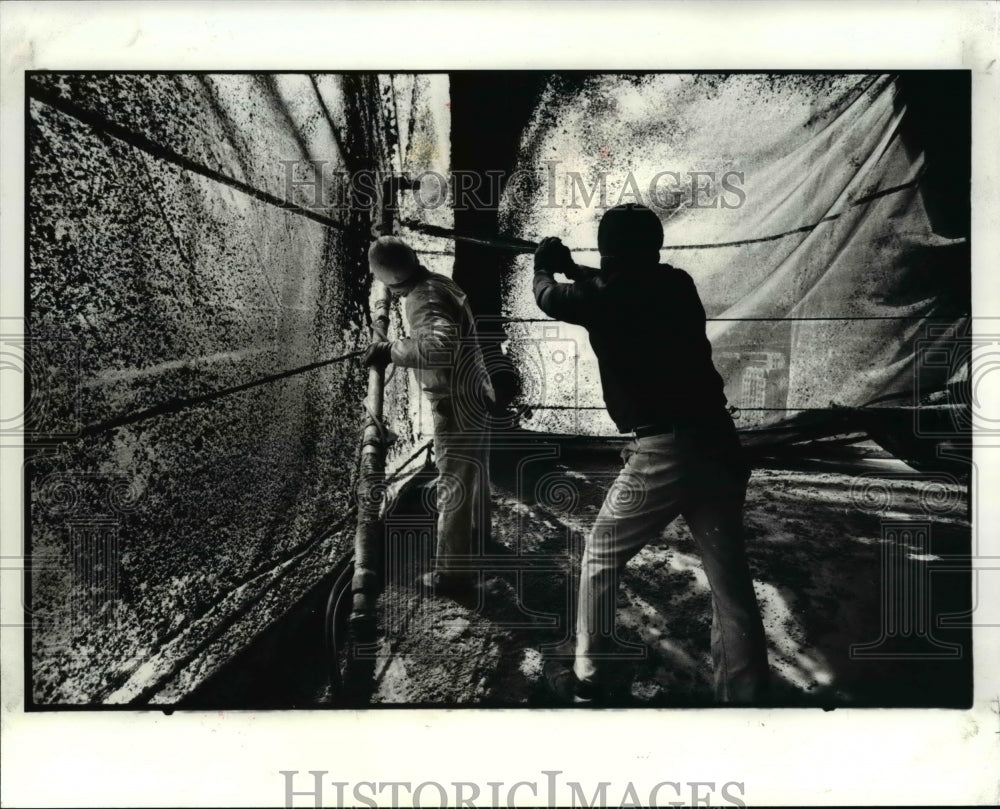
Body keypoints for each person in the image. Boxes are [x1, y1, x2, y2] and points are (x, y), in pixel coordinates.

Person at [533, 203, 769, 704]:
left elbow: (551, 298)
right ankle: (746, 696)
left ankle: (592, 677)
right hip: (719, 444)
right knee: (729, 579)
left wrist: (543, 264)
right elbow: (612, 285)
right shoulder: (676, 284)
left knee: (599, 556)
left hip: (665, 450)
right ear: (656, 246)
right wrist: (574, 266)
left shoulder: (605, 297)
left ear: (607, 251)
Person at [364, 236, 495, 602]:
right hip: (476, 390)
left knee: (452, 483)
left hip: (454, 401)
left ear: (388, 281)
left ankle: (453, 574)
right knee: (474, 472)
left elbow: (440, 346)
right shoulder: (439, 281)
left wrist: (390, 349)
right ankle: (479, 536)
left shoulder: (422, 297)